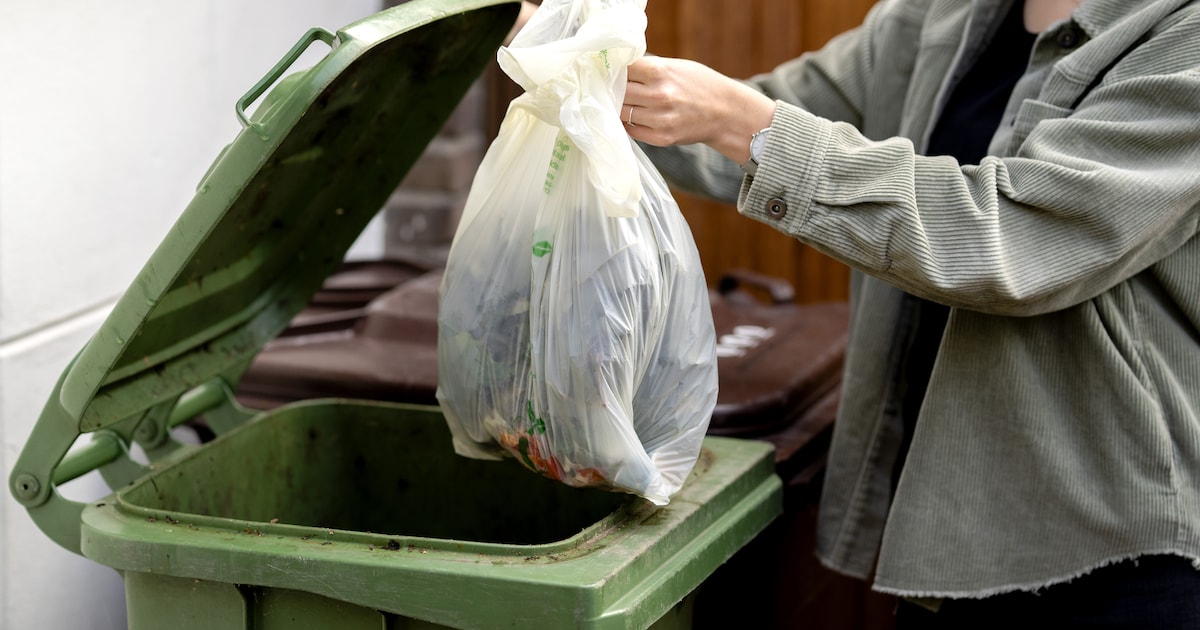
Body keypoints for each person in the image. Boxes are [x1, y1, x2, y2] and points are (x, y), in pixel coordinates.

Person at [509, 0, 1200, 626]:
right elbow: (757, 125)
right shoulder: (940, 15)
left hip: (1112, 551)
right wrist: (578, 64)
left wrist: (746, 125)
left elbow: (1016, 237)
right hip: (950, 521)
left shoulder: (1182, 36)